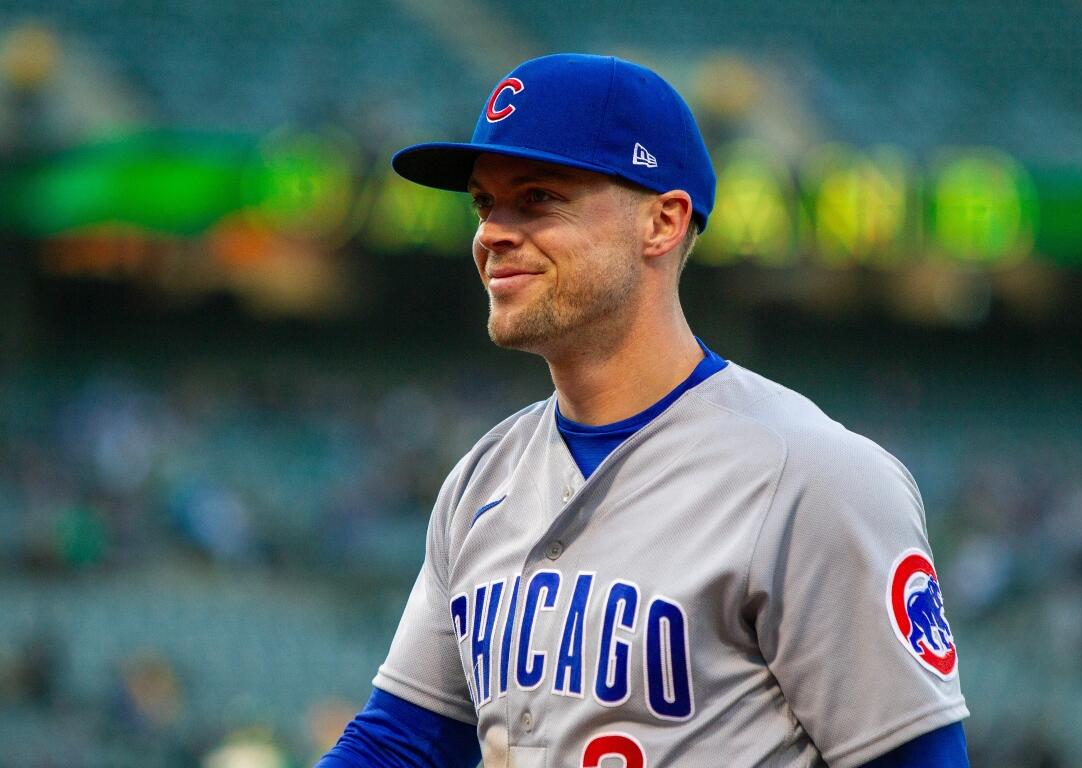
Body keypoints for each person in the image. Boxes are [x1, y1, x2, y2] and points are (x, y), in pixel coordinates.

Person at [318, 53, 969, 768]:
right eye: (483, 204)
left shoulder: (815, 477)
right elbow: (401, 744)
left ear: (662, 222)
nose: (492, 233)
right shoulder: (480, 479)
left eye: (537, 198)